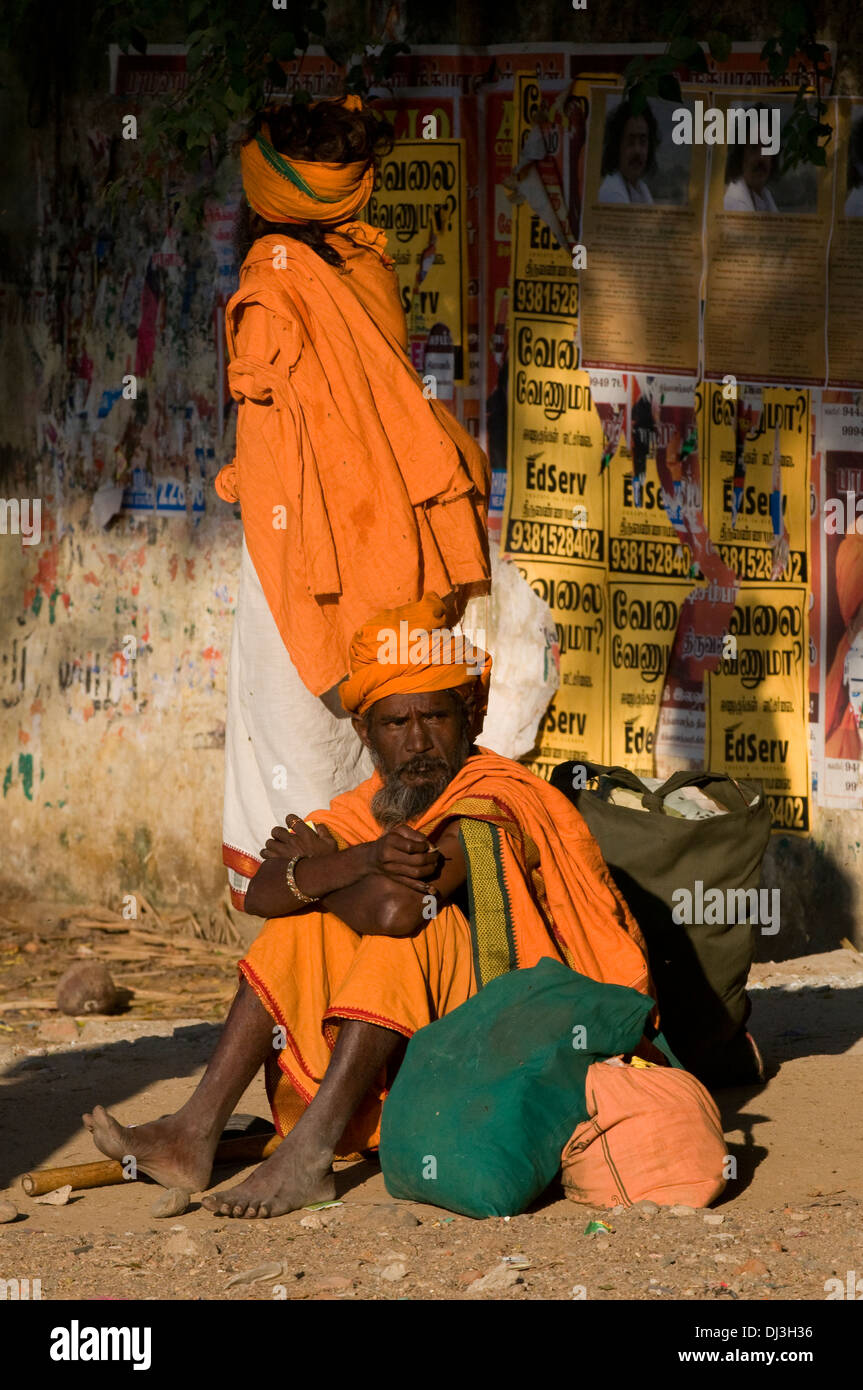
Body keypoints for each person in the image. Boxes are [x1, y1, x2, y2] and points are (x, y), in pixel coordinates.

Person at [83, 595, 651, 1220]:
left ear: (473, 715)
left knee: (408, 936)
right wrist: (363, 860)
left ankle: (311, 1150)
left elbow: (397, 914)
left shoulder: (492, 801)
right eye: (395, 723)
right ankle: (194, 1129)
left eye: (434, 717)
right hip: (412, 1041)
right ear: (365, 731)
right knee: (297, 929)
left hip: (507, 1035)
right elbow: (263, 890)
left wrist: (325, 871)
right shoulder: (371, 805)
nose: (418, 742)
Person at [219, 96, 491, 911]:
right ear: (347, 193)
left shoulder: (272, 291)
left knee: (305, 776)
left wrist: (314, 637)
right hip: (401, 563)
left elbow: (272, 479)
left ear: (267, 191)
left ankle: (327, 982)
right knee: (380, 767)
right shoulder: (356, 267)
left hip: (304, 572)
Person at [597, 98, 658, 205]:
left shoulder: (641, 187)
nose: (637, 150)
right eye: (630, 142)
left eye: (643, 142)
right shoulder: (612, 192)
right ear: (616, 146)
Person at [723, 115, 779, 212]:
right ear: (741, 155)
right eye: (753, 147)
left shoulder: (764, 194)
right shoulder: (735, 202)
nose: (761, 157)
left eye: (767, 147)